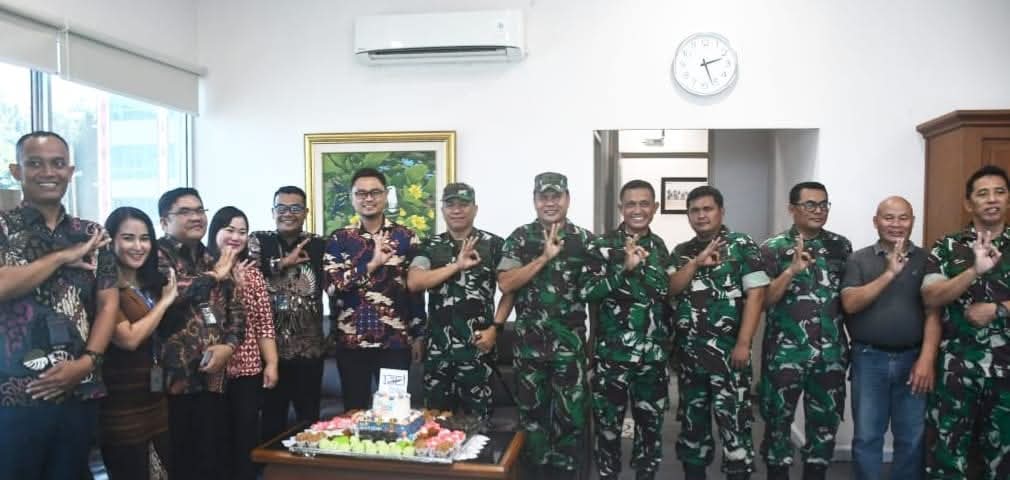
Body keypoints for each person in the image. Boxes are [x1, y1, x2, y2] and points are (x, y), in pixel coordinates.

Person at [0, 131, 119, 479]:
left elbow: (108, 303)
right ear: (17, 171)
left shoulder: (92, 233)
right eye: (35, 164)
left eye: (57, 164)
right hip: (15, 393)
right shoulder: (3, 227)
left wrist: (88, 362)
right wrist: (62, 257)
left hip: (79, 388)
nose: (48, 172)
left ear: (70, 171)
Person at [497, 171, 594, 478]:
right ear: (535, 200)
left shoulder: (585, 240)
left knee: (572, 421)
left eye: (556, 196)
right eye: (544, 197)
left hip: (570, 350)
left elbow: (595, 296)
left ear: (568, 199)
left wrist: (593, 341)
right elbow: (506, 283)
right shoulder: (520, 237)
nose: (550, 203)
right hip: (529, 351)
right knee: (532, 422)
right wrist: (543, 258)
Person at [668, 186, 768, 480]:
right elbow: (671, 289)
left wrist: (743, 343)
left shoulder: (741, 245)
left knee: (734, 429)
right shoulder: (681, 251)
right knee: (692, 432)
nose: (701, 215)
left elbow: (757, 295)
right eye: (694, 210)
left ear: (721, 211)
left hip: (729, 358)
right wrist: (695, 263)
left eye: (707, 209)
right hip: (690, 359)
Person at [841, 196, 939, 480]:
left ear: (913, 222)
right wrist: (889, 274)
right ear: (876, 221)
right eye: (889, 217)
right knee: (867, 436)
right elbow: (850, 304)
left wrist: (927, 359)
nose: (896, 224)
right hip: (868, 358)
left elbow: (934, 313)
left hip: (914, 359)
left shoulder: (927, 259)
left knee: (912, 437)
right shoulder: (858, 259)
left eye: (903, 217)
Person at [921, 165, 1010, 479]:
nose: (992, 199)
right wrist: (974, 271)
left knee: (1003, 462)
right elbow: (931, 297)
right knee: (947, 458)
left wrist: (998, 309)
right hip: (956, 371)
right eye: (983, 194)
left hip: (1006, 372)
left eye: (1000, 192)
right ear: (969, 204)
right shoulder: (946, 247)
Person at [582, 179, 674, 480]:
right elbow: (588, 292)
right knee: (608, 430)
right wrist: (624, 268)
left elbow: (666, 293)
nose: (638, 210)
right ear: (621, 207)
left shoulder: (660, 247)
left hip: (652, 358)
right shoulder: (602, 245)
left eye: (644, 203)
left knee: (650, 431)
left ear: (654, 208)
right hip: (613, 357)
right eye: (631, 204)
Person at [759, 181, 851, 480]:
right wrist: (791, 271)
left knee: (824, 427)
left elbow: (847, 298)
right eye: (810, 204)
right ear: (792, 208)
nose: (818, 210)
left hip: (830, 355)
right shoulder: (772, 248)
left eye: (823, 204)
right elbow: (764, 301)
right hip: (785, 355)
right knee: (777, 423)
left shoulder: (840, 246)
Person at [156, 187, 246, 480]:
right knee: (181, 462)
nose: (196, 217)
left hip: (214, 377)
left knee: (214, 459)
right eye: (185, 212)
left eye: (199, 210)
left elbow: (236, 311)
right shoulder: (156, 255)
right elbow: (171, 294)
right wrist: (214, 276)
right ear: (164, 221)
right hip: (174, 379)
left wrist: (228, 347)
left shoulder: (211, 257)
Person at [407, 183, 512, 426]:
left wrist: (496, 328)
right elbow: (414, 282)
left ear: (475, 209)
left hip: (478, 351)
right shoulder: (429, 246)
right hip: (438, 354)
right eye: (450, 205)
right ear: (442, 210)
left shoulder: (495, 245)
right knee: (435, 428)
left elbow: (510, 289)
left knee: (480, 428)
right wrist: (456, 265)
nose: (457, 210)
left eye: (463, 205)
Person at [324, 168, 426, 411]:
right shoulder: (339, 239)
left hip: (395, 343)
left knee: (393, 414)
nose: (368, 198)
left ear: (385, 196)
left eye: (375, 192)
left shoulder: (406, 237)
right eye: (361, 193)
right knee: (354, 412)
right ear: (352, 198)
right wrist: (372, 265)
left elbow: (415, 292)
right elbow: (333, 286)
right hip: (351, 343)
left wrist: (419, 334)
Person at [100, 207, 175, 479]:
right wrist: (165, 302)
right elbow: (128, 338)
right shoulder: (104, 288)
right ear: (111, 241)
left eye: (145, 238)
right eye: (128, 238)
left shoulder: (151, 284)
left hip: (155, 398)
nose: (138, 246)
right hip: (122, 407)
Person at [248, 186, 328, 442]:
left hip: (309, 350)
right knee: (271, 420)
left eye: (295, 208)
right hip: (270, 350)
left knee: (309, 421)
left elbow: (334, 283)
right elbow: (246, 273)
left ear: (306, 212)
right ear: (273, 212)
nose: (288, 213)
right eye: (281, 208)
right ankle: (271, 464)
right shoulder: (259, 240)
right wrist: (282, 263)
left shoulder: (319, 245)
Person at [208, 206, 278, 480]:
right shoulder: (203, 269)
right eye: (230, 230)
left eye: (242, 232)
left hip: (247, 368)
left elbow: (264, 322)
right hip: (210, 370)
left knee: (246, 435)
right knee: (215, 437)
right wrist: (226, 284)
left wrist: (271, 363)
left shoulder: (252, 272)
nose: (236, 237)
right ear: (215, 231)